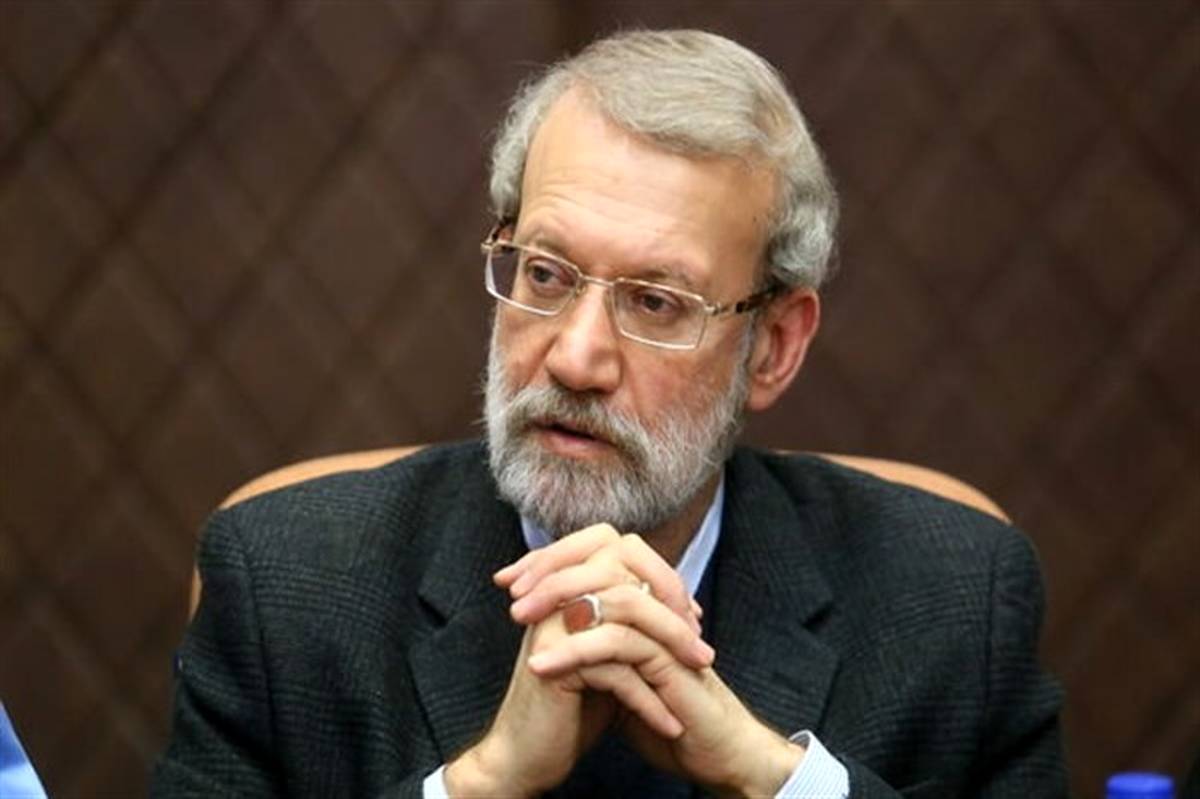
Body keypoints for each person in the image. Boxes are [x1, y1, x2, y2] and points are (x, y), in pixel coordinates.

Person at [153, 29, 1065, 797]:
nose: (575, 357)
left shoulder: (953, 601)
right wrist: (481, 785)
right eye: (546, 274)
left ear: (775, 345)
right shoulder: (287, 586)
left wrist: (774, 778)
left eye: (657, 302)